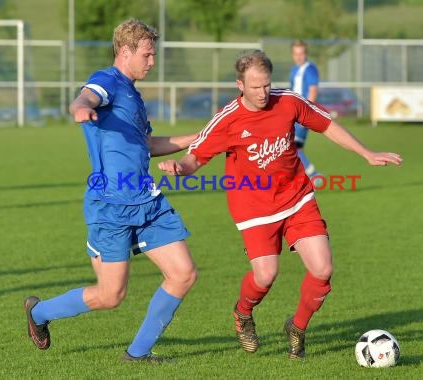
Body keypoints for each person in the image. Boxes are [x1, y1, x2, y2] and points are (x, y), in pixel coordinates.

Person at [158, 50, 402, 360]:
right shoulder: (228, 119)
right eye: (255, 87)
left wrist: (365, 153)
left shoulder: (288, 101)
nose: (262, 93)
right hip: (253, 207)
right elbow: (196, 155)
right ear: (240, 84)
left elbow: (326, 125)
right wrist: (180, 167)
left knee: (323, 268)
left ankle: (297, 328)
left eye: (266, 85)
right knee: (265, 276)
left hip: (297, 197)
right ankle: (243, 313)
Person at [24, 19, 198, 363]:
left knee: (183, 274)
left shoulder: (132, 92)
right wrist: (81, 109)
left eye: (154, 55)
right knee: (110, 295)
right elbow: (86, 97)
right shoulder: (108, 81)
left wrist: (200, 136)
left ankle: (137, 354)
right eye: (147, 55)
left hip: (147, 201)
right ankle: (39, 313)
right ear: (125, 51)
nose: (152, 61)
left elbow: (147, 144)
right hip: (112, 205)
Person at [290, 39, 322, 184]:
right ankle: (309, 175)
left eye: (301, 53)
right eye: (296, 53)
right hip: (293, 114)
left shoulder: (310, 69)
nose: (299, 56)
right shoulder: (294, 70)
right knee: (297, 148)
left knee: (290, 146)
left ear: (306, 54)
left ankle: (312, 174)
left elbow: (313, 90)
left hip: (301, 115)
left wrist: (306, 114)